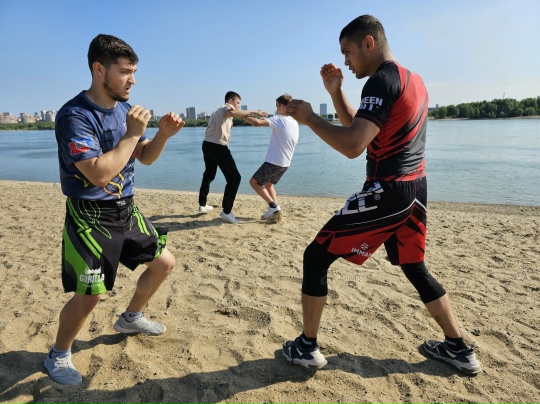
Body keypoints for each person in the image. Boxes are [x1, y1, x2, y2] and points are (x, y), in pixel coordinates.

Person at [281, 15, 482, 375]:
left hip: (388, 190)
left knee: (315, 256)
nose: (345, 61)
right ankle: (459, 348)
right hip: (415, 189)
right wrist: (335, 92)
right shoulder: (413, 79)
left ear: (368, 43)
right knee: (414, 266)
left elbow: (354, 145)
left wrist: (311, 118)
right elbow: (362, 127)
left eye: (348, 52)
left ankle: (307, 347)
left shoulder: (380, 80)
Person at [44, 34, 185, 385]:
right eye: (125, 72)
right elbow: (97, 173)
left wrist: (162, 135)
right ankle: (59, 353)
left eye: (134, 72)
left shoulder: (124, 110)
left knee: (164, 263)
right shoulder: (74, 116)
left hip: (126, 209)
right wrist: (132, 134)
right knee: (90, 296)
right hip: (90, 216)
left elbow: (145, 157)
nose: (132, 80)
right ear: (99, 69)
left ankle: (131, 317)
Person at [198, 92, 268, 224]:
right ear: (230, 101)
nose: (238, 106)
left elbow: (235, 114)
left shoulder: (218, 111)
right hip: (218, 146)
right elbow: (232, 112)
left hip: (207, 145)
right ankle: (226, 211)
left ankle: (202, 204)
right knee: (235, 178)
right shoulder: (226, 107)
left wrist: (249, 116)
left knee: (209, 174)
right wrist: (254, 112)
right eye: (238, 103)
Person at [242, 94, 299, 219]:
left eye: (277, 106)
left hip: (274, 162)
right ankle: (275, 211)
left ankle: (273, 207)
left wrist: (242, 115)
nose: (276, 109)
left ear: (282, 106)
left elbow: (256, 123)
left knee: (254, 182)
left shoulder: (279, 119)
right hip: (285, 164)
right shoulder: (294, 122)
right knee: (268, 184)